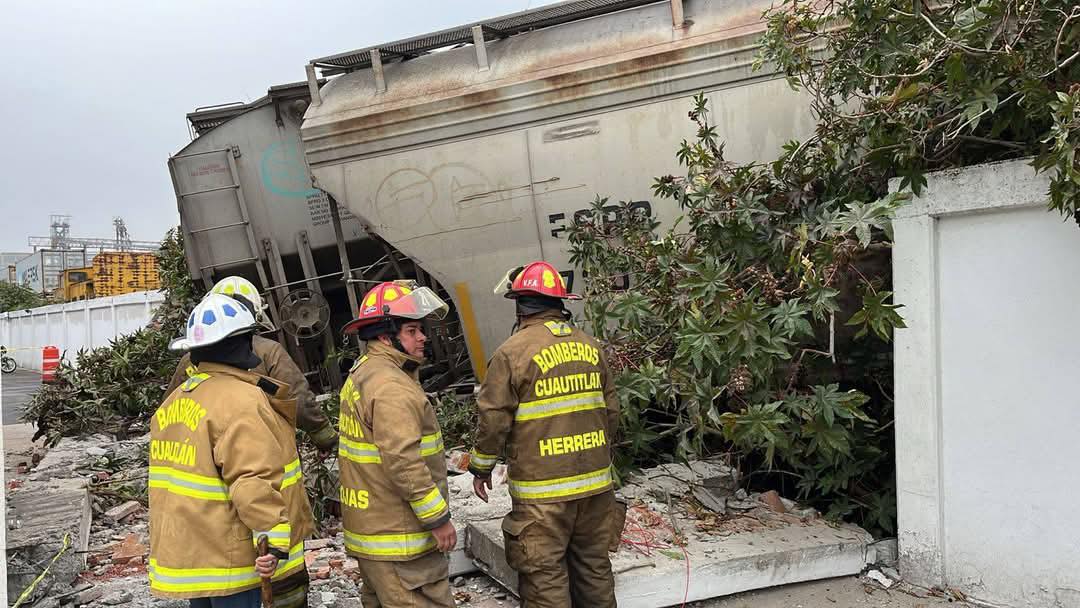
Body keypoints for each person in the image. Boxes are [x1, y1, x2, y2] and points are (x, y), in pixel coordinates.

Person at [469, 261, 620, 608]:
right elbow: (611, 413)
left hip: (543, 495)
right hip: (596, 486)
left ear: (520, 305)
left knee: (543, 577)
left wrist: (481, 467)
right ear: (560, 304)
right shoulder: (591, 346)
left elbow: (493, 419)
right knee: (595, 569)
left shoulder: (512, 352)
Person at [149, 293, 313, 608]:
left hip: (193, 561)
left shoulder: (174, 402)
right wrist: (274, 541)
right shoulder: (241, 401)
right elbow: (251, 479)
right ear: (241, 344)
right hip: (230, 562)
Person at [337, 280, 457, 607]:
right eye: (413, 330)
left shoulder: (364, 373)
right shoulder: (391, 386)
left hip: (375, 534)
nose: (422, 338)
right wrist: (438, 519)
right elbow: (403, 462)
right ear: (386, 336)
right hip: (400, 540)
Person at [164, 276, 337, 452]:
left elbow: (168, 410)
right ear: (254, 314)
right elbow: (298, 402)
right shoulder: (269, 351)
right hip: (265, 452)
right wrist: (323, 436)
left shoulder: (188, 361)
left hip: (205, 455)